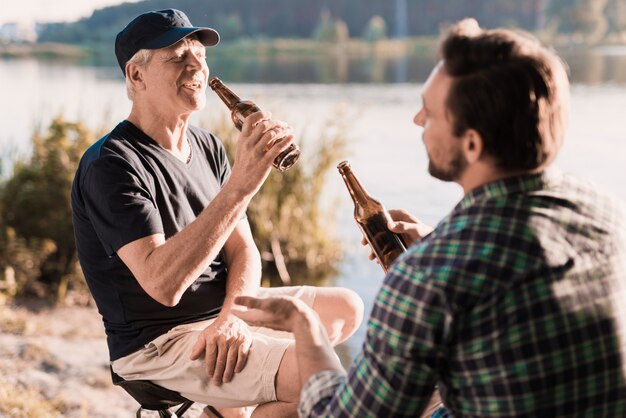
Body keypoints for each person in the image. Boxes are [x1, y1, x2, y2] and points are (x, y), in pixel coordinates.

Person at [232, 18, 626, 417]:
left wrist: (306, 329)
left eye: (431, 112)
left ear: (472, 143)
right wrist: (439, 240)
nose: (417, 120)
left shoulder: (430, 275)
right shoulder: (600, 210)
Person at [70, 9, 363, 418]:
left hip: (219, 312)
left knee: (345, 308)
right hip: (159, 340)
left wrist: (232, 319)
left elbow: (244, 251)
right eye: (177, 57)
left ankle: (225, 410)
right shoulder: (112, 163)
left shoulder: (208, 146)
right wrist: (241, 184)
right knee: (319, 378)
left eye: (200, 56)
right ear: (137, 77)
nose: (197, 67)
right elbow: (162, 284)